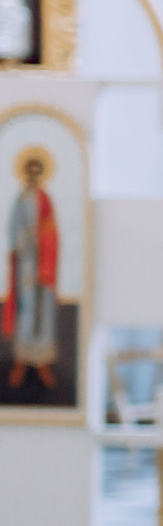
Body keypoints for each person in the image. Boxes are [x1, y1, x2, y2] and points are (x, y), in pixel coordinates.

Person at [5, 148, 59, 391]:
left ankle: (41, 360)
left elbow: (53, 230)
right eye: (31, 171)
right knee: (26, 309)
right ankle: (23, 359)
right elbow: (13, 229)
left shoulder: (46, 199)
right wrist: (26, 240)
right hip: (27, 262)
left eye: (38, 171)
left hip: (44, 264)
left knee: (43, 310)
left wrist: (45, 238)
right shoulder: (21, 199)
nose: (34, 176)